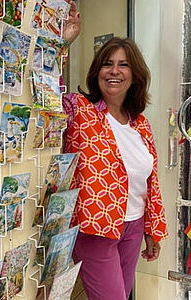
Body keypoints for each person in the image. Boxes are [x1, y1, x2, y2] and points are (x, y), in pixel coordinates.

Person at [61, 1, 168, 299]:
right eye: (107, 64)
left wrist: (152, 229)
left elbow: (150, 182)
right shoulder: (80, 110)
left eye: (123, 65)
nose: (114, 71)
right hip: (95, 230)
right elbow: (46, 94)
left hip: (133, 228)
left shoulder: (141, 125)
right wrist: (63, 43)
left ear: (135, 75)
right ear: (97, 71)